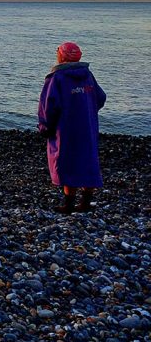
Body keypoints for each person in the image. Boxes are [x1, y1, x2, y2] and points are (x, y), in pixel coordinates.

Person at [38, 42, 106, 214]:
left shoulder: (56, 78)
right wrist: (86, 109)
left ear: (61, 55)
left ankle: (68, 204)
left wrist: (45, 127)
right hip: (87, 126)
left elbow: (49, 106)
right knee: (88, 159)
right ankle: (85, 202)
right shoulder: (87, 75)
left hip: (65, 128)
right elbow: (100, 97)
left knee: (66, 160)